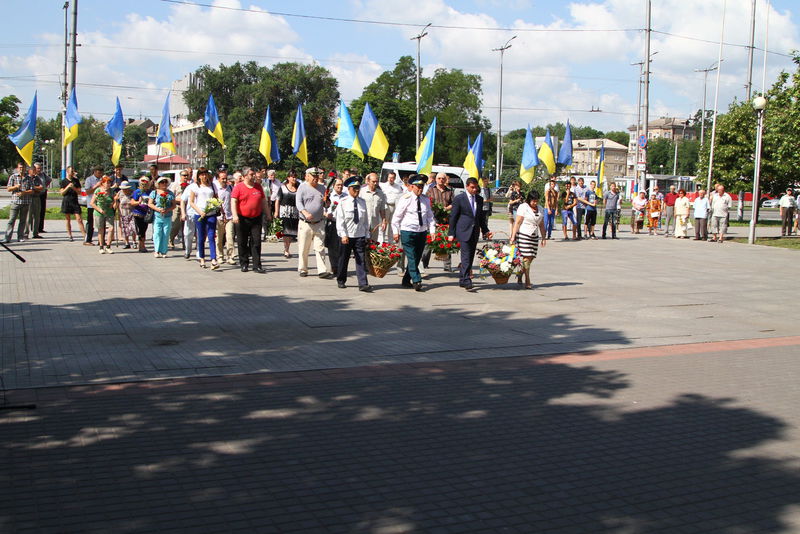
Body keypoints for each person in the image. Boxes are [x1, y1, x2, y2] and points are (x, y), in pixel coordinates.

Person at [447, 177, 493, 291]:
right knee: (466, 256)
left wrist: (485, 230)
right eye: (472, 187)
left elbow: (481, 217)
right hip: (463, 230)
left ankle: (462, 279)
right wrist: (451, 233)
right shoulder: (459, 199)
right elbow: (453, 216)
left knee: (470, 256)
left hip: (474, 231)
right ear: (467, 186)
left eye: (476, 187)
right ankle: (467, 280)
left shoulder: (479, 199)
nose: (474, 189)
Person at [393, 174, 435, 291]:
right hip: (408, 232)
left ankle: (406, 280)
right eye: (417, 187)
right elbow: (396, 217)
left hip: (421, 232)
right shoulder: (405, 199)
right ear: (412, 187)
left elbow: (430, 217)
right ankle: (417, 280)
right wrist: (396, 232)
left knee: (416, 258)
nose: (420, 189)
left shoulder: (425, 200)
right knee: (411, 257)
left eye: (422, 187)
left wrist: (432, 231)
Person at [335, 176, 372, 291]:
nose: (357, 191)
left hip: (359, 235)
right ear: (349, 189)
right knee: (343, 259)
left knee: (361, 260)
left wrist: (367, 234)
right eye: (354, 188)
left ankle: (363, 283)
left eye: (358, 188)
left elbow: (366, 220)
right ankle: (341, 279)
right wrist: (343, 234)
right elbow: (340, 220)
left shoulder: (362, 202)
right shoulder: (343, 202)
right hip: (347, 236)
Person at [295, 167, 333, 279]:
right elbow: (298, 203)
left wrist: (327, 201)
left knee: (320, 247)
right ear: (307, 176)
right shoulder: (302, 188)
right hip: (305, 223)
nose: (316, 178)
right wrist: (305, 212)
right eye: (313, 176)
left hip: (319, 222)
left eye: (317, 176)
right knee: (303, 247)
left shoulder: (323, 188)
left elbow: (326, 205)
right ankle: (303, 269)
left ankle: (322, 270)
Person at [231, 167, 267, 273]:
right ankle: (244, 263)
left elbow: (263, 201)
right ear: (245, 176)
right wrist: (235, 215)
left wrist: (268, 214)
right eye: (251, 174)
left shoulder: (258, 187)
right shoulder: (238, 187)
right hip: (242, 218)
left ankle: (257, 265)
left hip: (256, 218)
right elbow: (233, 202)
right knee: (242, 242)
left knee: (256, 242)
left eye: (254, 174)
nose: (254, 176)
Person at [509, 190, 546, 289]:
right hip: (524, 234)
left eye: (536, 201)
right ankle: (527, 280)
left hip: (534, 236)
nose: (535, 203)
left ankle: (521, 272)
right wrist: (513, 236)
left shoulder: (541, 209)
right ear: (529, 200)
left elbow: (542, 225)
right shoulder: (523, 207)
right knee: (526, 258)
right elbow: (517, 222)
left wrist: (543, 238)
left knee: (531, 257)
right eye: (533, 201)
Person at [422, 171, 454, 272]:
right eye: (439, 178)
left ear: (445, 180)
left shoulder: (450, 191)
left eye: (443, 178)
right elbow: (426, 203)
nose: (441, 180)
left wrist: (447, 208)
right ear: (436, 180)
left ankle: (447, 266)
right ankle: (424, 263)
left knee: (447, 241)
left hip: (445, 219)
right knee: (429, 242)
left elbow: (454, 203)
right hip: (432, 219)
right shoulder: (430, 190)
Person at [188, 168, 220, 269]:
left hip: (211, 213)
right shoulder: (195, 186)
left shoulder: (212, 185)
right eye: (202, 175)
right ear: (198, 176)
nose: (204, 176)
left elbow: (216, 198)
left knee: (211, 236)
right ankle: (202, 258)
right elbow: (191, 202)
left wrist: (216, 206)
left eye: (205, 174)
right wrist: (200, 211)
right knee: (201, 237)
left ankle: (213, 259)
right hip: (200, 214)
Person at [4, 162, 33, 243]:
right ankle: (7, 237)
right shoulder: (13, 177)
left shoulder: (28, 178)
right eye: (20, 167)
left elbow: (32, 190)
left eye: (23, 168)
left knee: (23, 221)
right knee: (11, 220)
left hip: (25, 202)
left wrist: (24, 193)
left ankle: (20, 237)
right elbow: (8, 188)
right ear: (17, 168)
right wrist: (15, 187)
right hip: (15, 202)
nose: (21, 169)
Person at [147, 176, 176, 258]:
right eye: (162, 182)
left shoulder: (170, 193)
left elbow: (174, 205)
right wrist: (158, 209)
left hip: (167, 216)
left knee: (166, 233)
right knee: (157, 233)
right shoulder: (154, 192)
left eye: (165, 182)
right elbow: (150, 203)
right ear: (158, 184)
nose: (164, 184)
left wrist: (167, 209)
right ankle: (156, 250)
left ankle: (164, 251)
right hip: (157, 216)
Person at [274, 170, 299, 258]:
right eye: (292, 177)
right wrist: (276, 212)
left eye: (295, 176)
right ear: (288, 178)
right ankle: (286, 249)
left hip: (295, 212)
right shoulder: (283, 188)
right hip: (284, 212)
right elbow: (277, 200)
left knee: (292, 232)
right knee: (285, 232)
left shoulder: (298, 187)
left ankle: (287, 247)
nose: (294, 178)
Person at [89, 176, 117, 254]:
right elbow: (92, 203)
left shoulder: (111, 191)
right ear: (103, 183)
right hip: (99, 212)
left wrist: (114, 204)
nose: (108, 184)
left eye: (109, 183)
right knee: (101, 229)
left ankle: (108, 246)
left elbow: (114, 200)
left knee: (111, 228)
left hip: (109, 212)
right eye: (106, 183)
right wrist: (99, 209)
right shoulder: (98, 190)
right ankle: (101, 246)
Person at [325, 177, 346, 276]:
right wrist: (326, 215)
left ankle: (341, 265)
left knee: (342, 246)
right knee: (332, 247)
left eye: (341, 185)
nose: (340, 187)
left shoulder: (346, 196)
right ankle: (334, 266)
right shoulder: (329, 196)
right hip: (333, 223)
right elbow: (323, 208)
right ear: (333, 186)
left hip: (344, 225)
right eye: (338, 185)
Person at [59, 166, 85, 241]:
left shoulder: (76, 181)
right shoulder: (63, 181)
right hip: (67, 201)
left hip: (75, 201)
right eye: (71, 171)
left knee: (79, 219)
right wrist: (68, 187)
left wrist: (73, 187)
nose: (72, 172)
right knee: (68, 219)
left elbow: (80, 192)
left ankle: (84, 235)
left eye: (73, 171)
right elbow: (62, 193)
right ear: (67, 171)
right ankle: (70, 235)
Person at [215, 172, 235, 264]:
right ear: (218, 179)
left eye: (225, 178)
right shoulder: (216, 189)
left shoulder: (230, 188)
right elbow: (215, 203)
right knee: (219, 238)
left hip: (229, 216)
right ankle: (219, 256)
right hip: (219, 217)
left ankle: (230, 256)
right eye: (222, 178)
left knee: (230, 237)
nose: (224, 180)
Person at [360, 172, 387, 242]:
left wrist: (384, 221)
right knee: (362, 244)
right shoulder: (361, 192)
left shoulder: (380, 193)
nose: (375, 183)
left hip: (374, 224)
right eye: (373, 181)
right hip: (362, 223)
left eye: (377, 181)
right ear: (368, 181)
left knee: (373, 245)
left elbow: (382, 209)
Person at [130, 176, 153, 252]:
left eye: (146, 182)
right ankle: (141, 245)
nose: (144, 183)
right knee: (140, 230)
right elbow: (132, 202)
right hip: (138, 213)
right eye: (142, 182)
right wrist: (138, 202)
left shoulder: (150, 192)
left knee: (144, 229)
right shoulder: (137, 192)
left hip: (146, 213)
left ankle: (142, 244)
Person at [169, 170, 190, 249]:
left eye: (187, 175)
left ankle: (185, 244)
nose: (185, 177)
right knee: (175, 225)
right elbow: (171, 196)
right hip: (177, 206)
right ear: (180, 176)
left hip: (186, 206)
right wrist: (177, 199)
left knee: (185, 227)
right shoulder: (175, 185)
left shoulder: (189, 185)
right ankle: (171, 240)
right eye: (184, 175)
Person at [380, 172, 403, 242]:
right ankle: (382, 241)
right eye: (389, 177)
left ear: (395, 178)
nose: (391, 179)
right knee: (384, 224)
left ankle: (390, 242)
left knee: (392, 224)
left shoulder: (398, 187)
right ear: (387, 178)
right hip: (386, 206)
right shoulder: (383, 186)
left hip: (395, 207)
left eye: (392, 178)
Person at [83, 166, 102, 246]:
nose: (100, 174)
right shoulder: (89, 179)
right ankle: (88, 240)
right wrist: (96, 186)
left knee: (101, 223)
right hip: (91, 204)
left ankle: (100, 240)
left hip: (100, 204)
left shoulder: (102, 179)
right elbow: (87, 192)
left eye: (101, 173)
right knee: (90, 223)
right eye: (98, 173)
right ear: (94, 172)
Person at [24, 163, 44, 239]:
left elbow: (41, 187)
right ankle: (26, 233)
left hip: (37, 198)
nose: (35, 172)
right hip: (29, 198)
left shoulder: (37, 178)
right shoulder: (26, 178)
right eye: (33, 170)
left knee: (37, 216)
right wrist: (34, 188)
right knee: (28, 217)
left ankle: (35, 233)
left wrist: (33, 188)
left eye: (35, 170)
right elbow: (26, 188)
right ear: (29, 171)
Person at [116, 181, 136, 249]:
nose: (124, 190)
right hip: (123, 213)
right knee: (125, 229)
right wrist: (115, 201)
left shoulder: (132, 192)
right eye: (123, 188)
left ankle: (134, 242)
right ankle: (127, 243)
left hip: (132, 212)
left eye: (125, 188)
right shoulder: (120, 193)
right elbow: (117, 201)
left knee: (133, 228)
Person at [32, 162, 49, 236]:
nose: (39, 170)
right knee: (33, 213)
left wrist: (45, 186)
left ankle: (40, 228)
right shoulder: (33, 176)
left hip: (42, 193)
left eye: (40, 168)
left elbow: (49, 180)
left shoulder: (43, 175)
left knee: (42, 211)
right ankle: (33, 228)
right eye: (37, 168)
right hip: (34, 194)